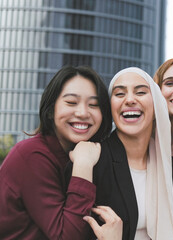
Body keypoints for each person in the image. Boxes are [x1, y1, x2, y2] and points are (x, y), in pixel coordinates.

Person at [0, 66, 112, 239]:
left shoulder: (92, 155)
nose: (82, 113)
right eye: (71, 103)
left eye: (94, 105)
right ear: (51, 110)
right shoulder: (31, 155)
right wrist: (83, 166)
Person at [92, 67, 173, 240]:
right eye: (119, 94)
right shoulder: (94, 162)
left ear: (156, 105)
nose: (130, 100)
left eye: (140, 92)